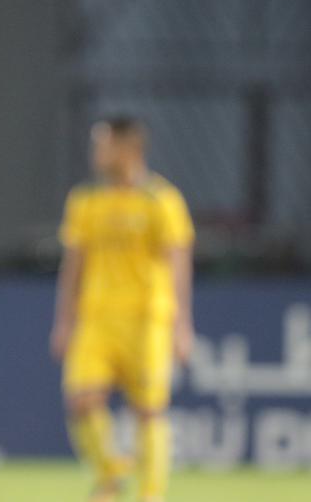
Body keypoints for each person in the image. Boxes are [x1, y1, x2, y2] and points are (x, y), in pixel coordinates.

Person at [49, 117, 195, 502]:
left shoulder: (161, 200)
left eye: (103, 144)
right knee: (81, 399)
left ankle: (150, 494)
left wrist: (182, 325)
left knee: (148, 409)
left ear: (128, 149)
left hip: (146, 318)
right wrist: (64, 320)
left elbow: (179, 264)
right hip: (96, 317)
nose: (96, 153)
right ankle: (111, 472)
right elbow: (73, 265)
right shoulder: (85, 200)